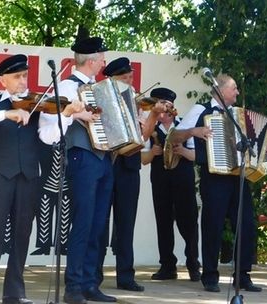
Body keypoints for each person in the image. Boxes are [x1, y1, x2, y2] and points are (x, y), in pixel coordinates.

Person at [0, 54, 83, 304]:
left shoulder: (37, 104)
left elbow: (49, 137)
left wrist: (68, 115)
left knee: (22, 235)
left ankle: (14, 293)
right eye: (16, 77)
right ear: (3, 81)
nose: (22, 81)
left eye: (24, 76)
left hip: (29, 177)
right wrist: (6, 115)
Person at [170, 74, 267, 293]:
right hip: (214, 177)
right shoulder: (201, 111)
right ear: (219, 90)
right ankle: (209, 275)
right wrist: (194, 131)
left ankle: (243, 275)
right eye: (234, 88)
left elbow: (251, 146)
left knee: (246, 224)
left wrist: (266, 152)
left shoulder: (238, 116)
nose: (237, 93)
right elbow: (173, 137)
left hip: (239, 177)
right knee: (213, 225)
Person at [101, 57, 169, 292]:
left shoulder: (137, 103)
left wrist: (152, 115)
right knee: (100, 223)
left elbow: (143, 138)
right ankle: (93, 275)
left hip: (128, 168)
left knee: (126, 223)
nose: (130, 82)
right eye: (125, 78)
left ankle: (125, 276)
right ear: (112, 79)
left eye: (131, 77)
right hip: (106, 165)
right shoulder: (101, 98)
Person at [58, 37, 117, 304]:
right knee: (83, 222)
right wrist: (79, 114)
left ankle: (90, 283)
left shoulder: (99, 88)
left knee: (98, 223)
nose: (104, 63)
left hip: (103, 158)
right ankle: (73, 286)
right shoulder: (68, 86)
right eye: (102, 58)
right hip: (82, 156)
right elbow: (57, 114)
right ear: (91, 60)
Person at [140, 87, 201, 282]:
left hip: (183, 179)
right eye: (163, 106)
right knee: (163, 222)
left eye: (169, 107)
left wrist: (182, 150)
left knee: (188, 222)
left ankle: (193, 265)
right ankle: (167, 266)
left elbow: (197, 156)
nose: (166, 111)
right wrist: (154, 153)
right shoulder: (150, 127)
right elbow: (144, 159)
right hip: (160, 179)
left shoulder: (185, 126)